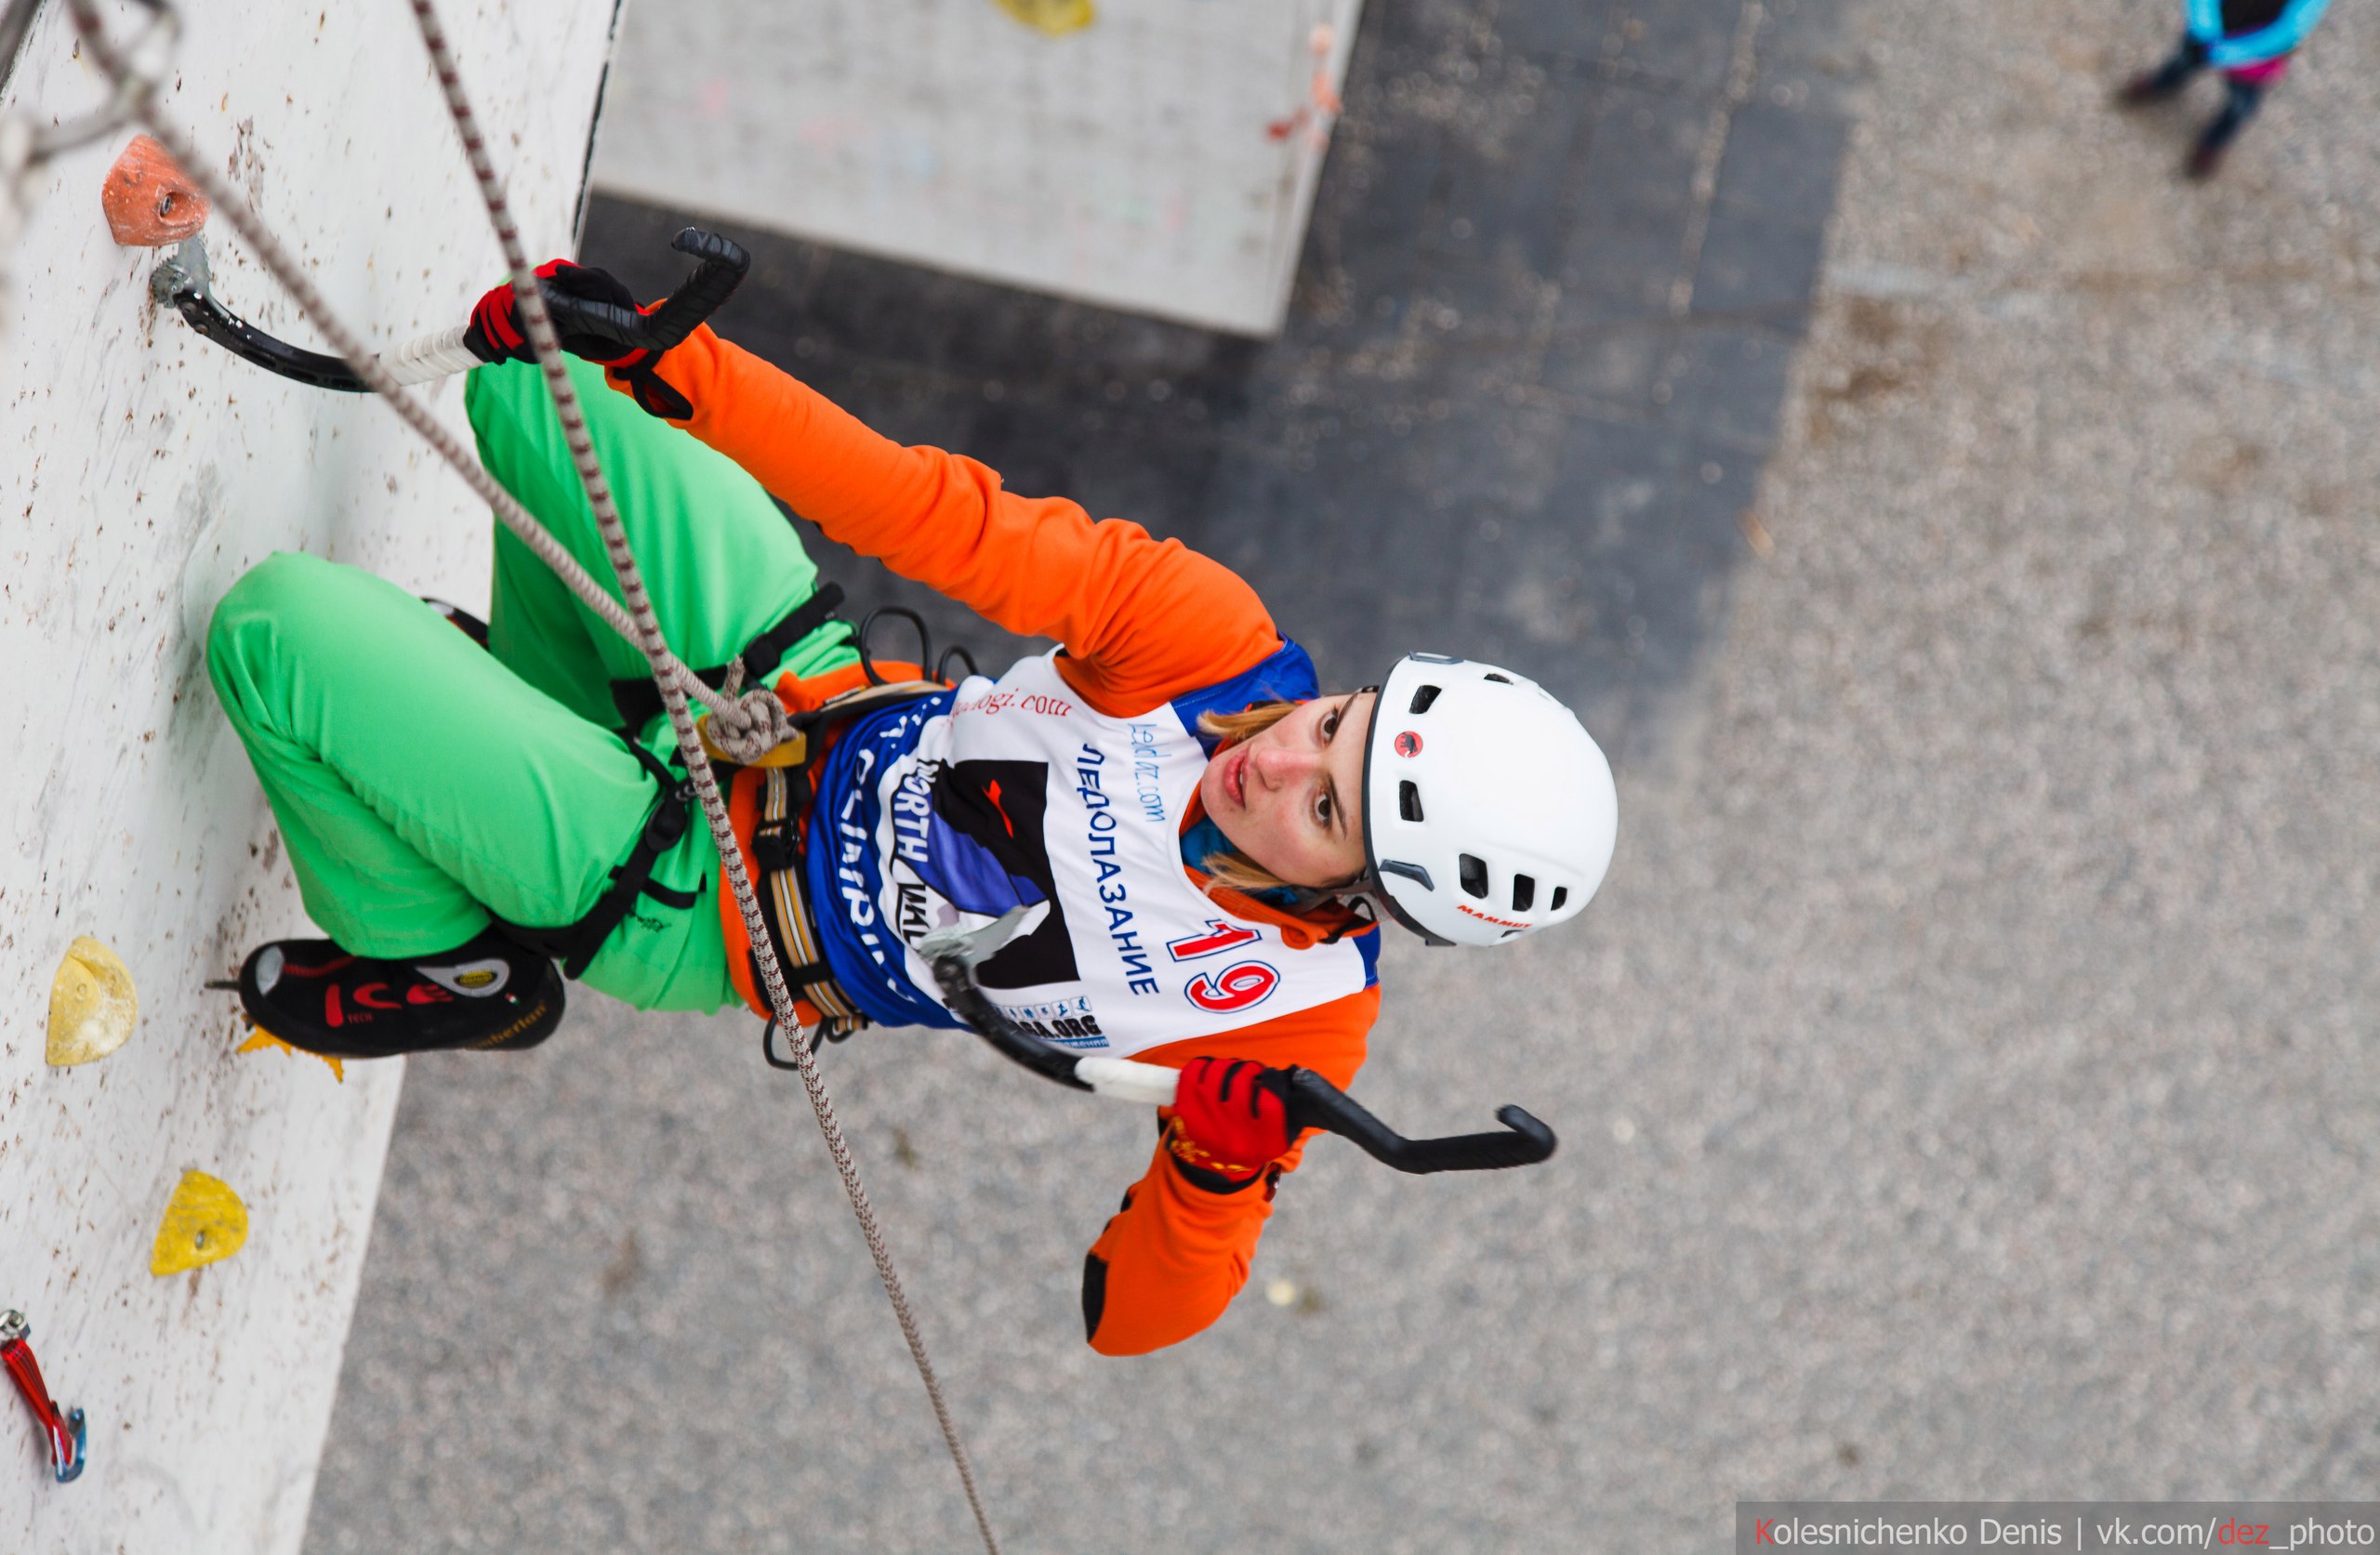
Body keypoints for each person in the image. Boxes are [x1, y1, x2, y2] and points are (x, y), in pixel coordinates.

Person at [207, 261, 1619, 1354]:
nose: (1271, 763)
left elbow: (1130, 1315)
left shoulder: (1292, 1018)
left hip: (697, 896)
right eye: (1334, 728)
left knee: (276, 632)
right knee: (542, 380)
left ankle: (453, 957)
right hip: (778, 685)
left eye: (1321, 812)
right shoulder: (1212, 646)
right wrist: (673, 362)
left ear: (1352, 900)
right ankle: (512, 732)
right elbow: (931, 508)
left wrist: (1213, 1169)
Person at [2119, 0, 2340, 178]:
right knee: (2181, 63)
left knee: (2239, 107)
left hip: (2252, 59)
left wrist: (2229, 52)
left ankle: (2213, 144)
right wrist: (2206, 28)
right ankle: (2161, 85)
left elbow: (2290, 30)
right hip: (2205, 36)